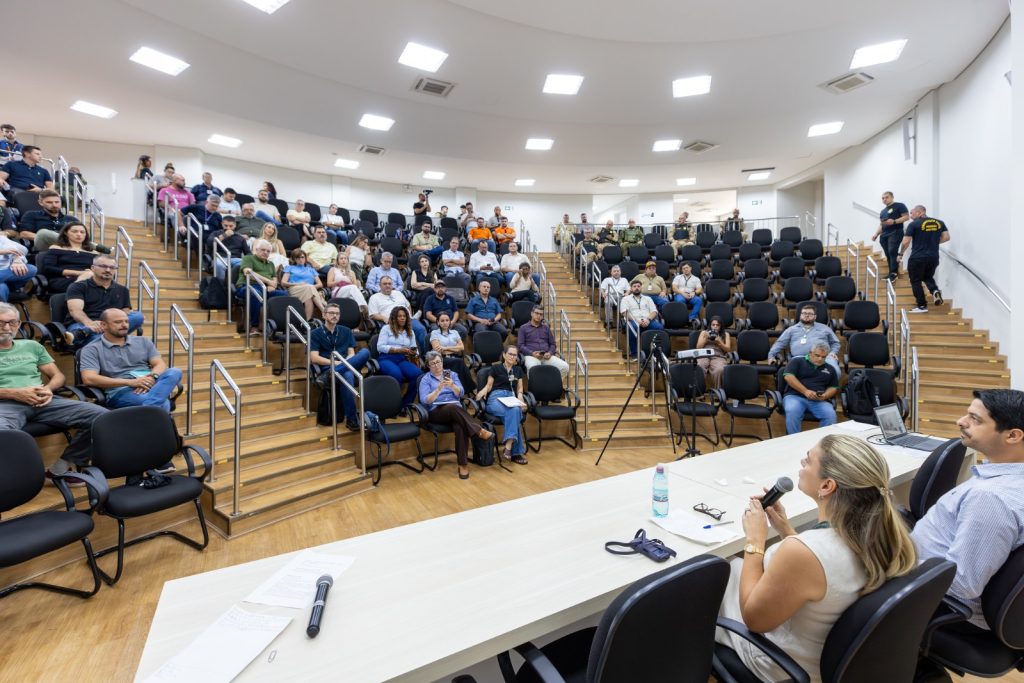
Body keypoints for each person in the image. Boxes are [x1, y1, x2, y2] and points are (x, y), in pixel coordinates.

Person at [718, 434, 916, 683]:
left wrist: (755, 541)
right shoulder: (880, 535)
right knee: (733, 568)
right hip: (827, 655)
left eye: (809, 460)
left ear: (827, 486)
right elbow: (822, 567)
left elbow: (755, 620)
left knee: (716, 575)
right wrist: (786, 531)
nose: (802, 462)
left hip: (782, 666)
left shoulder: (802, 552)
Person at [911, 389, 1024, 629]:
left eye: (975, 419)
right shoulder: (1005, 478)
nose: (960, 421)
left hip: (939, 602)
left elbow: (962, 585)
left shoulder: (991, 499)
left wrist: (897, 560)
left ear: (1013, 435)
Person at [0, 302, 109, 478]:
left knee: (103, 417)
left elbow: (58, 376)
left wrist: (49, 389)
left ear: (19, 324)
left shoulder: (32, 346)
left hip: (43, 400)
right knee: (4, 435)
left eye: (11, 322)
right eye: (1, 322)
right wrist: (14, 393)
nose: (6, 327)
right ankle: (17, 480)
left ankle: (64, 466)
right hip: (5, 404)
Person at [79, 308, 183, 412]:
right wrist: (131, 382)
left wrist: (152, 377)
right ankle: (154, 414)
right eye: (118, 322)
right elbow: (89, 378)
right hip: (121, 391)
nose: (124, 325)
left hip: (151, 384)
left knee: (174, 372)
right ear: (103, 325)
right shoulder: (91, 349)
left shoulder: (143, 341)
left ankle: (149, 411)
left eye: (126, 321)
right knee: (163, 403)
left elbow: (160, 364)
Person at [419, 351, 492, 480]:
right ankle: (479, 431)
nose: (436, 365)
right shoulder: (425, 379)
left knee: (460, 426)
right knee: (452, 407)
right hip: (436, 411)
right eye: (433, 364)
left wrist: (452, 385)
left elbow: (461, 393)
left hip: (455, 411)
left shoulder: (452, 374)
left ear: (442, 361)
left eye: (438, 362)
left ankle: (463, 465)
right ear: (428, 366)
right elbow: (425, 400)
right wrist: (438, 389)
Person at [309, 302, 370, 431]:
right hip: (328, 366)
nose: (335, 316)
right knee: (346, 375)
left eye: (337, 314)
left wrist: (342, 363)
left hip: (346, 365)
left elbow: (351, 354)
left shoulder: (346, 331)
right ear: (324, 315)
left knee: (365, 352)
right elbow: (314, 358)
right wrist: (335, 364)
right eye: (331, 313)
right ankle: (352, 420)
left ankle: (330, 375)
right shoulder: (315, 333)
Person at [64, 254, 144, 346]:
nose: (108, 270)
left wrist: (107, 325)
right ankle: (90, 334)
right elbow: (75, 311)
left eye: (112, 267)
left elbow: (124, 313)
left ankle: (84, 333)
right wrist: (90, 324)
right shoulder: (78, 286)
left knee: (138, 316)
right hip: (82, 324)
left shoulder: (123, 290)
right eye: (103, 266)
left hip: (111, 325)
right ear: (93, 268)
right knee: (102, 339)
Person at [474, 345, 528, 465]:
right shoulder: (496, 368)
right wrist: (482, 391)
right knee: (515, 414)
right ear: (504, 355)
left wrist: (520, 398)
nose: (512, 357)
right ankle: (516, 452)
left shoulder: (518, 370)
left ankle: (508, 445)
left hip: (511, 398)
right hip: (496, 398)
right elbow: (489, 385)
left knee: (514, 411)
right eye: (510, 354)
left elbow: (520, 389)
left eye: (515, 355)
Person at [898, 205, 949, 313]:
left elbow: (906, 241)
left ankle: (922, 305)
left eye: (912, 213)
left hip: (918, 258)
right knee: (927, 276)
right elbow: (946, 237)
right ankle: (935, 291)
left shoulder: (913, 225)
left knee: (915, 280)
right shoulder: (940, 222)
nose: (911, 216)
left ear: (920, 212)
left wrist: (900, 254)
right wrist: (933, 243)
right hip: (933, 257)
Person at [781, 343, 840, 434]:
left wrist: (825, 396)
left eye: (823, 357)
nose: (820, 359)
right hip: (795, 396)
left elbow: (833, 387)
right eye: (817, 355)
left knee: (830, 415)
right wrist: (805, 391)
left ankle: (821, 443)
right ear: (810, 353)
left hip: (819, 400)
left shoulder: (830, 369)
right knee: (792, 410)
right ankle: (793, 440)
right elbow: (788, 377)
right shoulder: (797, 361)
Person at [769, 304, 842, 375]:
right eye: (804, 313)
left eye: (810, 314)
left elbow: (835, 343)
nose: (807, 315)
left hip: (823, 357)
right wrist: (771, 356)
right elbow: (779, 343)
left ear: (815, 317)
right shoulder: (791, 329)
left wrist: (833, 352)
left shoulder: (825, 328)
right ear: (800, 315)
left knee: (835, 372)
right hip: (801, 358)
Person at [236, 239, 287, 336]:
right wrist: (268, 282)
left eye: (268, 251)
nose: (265, 252)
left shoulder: (271, 264)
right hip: (247, 286)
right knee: (255, 294)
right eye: (263, 250)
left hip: (265, 288)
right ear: (257, 249)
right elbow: (248, 273)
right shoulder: (248, 258)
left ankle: (281, 326)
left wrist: (272, 285)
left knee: (284, 295)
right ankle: (254, 326)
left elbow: (275, 280)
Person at [367, 276, 427, 353]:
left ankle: (423, 355)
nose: (387, 285)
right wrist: (383, 318)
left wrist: (409, 315)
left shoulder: (398, 293)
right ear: (380, 285)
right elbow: (372, 314)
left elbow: (408, 305)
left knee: (421, 329)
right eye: (385, 284)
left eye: (389, 283)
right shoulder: (374, 297)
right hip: (393, 322)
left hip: (408, 319)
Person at [376, 307, 422, 407]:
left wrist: (413, 352)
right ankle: (392, 405)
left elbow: (415, 348)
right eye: (399, 316)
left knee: (418, 374)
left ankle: (405, 404)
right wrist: (397, 349)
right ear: (394, 318)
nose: (402, 318)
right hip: (386, 358)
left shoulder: (410, 331)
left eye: (404, 316)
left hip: (402, 359)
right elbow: (380, 347)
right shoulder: (386, 328)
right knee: (396, 374)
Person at [39, 222, 100, 293]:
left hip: (90, 280)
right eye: (75, 231)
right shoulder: (56, 248)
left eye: (82, 232)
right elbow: (49, 269)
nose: (79, 234)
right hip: (62, 280)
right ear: (66, 233)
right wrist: (79, 273)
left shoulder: (94, 253)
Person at [518, 306, 569, 384]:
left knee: (565, 367)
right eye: (536, 313)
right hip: (531, 356)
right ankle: (537, 390)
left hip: (546, 356)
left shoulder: (546, 328)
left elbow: (552, 344)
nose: (539, 316)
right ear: (532, 314)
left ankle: (552, 386)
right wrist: (532, 353)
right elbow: (520, 346)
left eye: (541, 314)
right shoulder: (523, 328)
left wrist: (550, 353)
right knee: (533, 368)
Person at [871, 191, 910, 281]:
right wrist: (876, 234)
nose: (884, 199)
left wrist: (894, 221)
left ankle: (894, 273)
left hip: (895, 232)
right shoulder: (883, 211)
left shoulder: (900, 205)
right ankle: (891, 273)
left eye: (886, 197)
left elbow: (906, 217)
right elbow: (881, 224)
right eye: (883, 198)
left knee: (892, 251)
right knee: (888, 253)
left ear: (892, 197)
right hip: (884, 235)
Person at [429, 312, 473, 389]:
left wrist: (445, 348)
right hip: (441, 359)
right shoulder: (434, 333)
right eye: (442, 321)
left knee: (458, 361)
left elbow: (462, 347)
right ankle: (466, 389)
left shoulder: (455, 332)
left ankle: (460, 390)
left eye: (447, 320)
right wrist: (455, 348)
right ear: (438, 322)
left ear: (450, 322)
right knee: (459, 362)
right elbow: (438, 350)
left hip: (455, 357)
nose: (445, 322)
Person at [620, 279, 662, 359]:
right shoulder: (625, 299)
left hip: (648, 320)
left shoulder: (648, 298)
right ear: (631, 288)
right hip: (633, 320)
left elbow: (654, 311)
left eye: (638, 286)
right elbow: (624, 312)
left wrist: (648, 320)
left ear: (641, 288)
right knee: (632, 328)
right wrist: (636, 321)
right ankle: (635, 354)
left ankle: (656, 352)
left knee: (659, 327)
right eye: (634, 286)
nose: (636, 288)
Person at [280, 249, 327, 319]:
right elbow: (283, 283)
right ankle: (323, 310)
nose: (301, 260)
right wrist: (297, 284)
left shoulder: (311, 269)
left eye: (302, 257)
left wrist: (310, 287)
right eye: (298, 258)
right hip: (294, 289)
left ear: (305, 258)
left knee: (309, 297)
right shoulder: (290, 268)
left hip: (309, 290)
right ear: (294, 259)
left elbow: (320, 284)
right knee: (309, 289)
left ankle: (307, 322)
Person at [207, 215, 250, 280]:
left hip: (235, 259)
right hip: (220, 257)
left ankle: (234, 287)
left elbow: (248, 253)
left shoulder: (240, 237)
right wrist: (224, 235)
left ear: (235, 225)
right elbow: (209, 244)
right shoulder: (216, 233)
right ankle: (219, 286)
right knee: (219, 265)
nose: (228, 228)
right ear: (222, 224)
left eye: (231, 226)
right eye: (226, 225)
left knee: (243, 264)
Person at [696, 316, 731, 388]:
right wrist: (706, 338)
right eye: (713, 325)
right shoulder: (704, 333)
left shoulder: (726, 334)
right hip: (704, 354)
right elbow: (698, 347)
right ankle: (699, 393)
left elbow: (728, 349)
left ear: (720, 326)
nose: (715, 327)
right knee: (699, 367)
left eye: (717, 325)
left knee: (720, 369)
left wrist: (720, 342)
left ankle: (719, 392)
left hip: (718, 356)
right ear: (710, 325)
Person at [0, 233, 34, 302]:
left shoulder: (2, 238)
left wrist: (17, 259)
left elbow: (23, 249)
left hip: (6, 274)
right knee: (2, 287)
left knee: (31, 269)